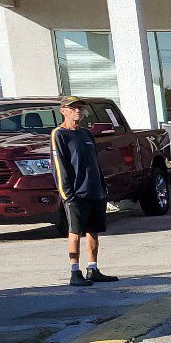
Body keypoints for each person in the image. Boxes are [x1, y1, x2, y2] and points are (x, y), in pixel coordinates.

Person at [51, 96, 119, 287]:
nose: (78, 111)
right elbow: (60, 166)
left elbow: (95, 163)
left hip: (95, 190)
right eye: (73, 108)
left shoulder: (86, 134)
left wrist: (102, 187)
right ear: (63, 111)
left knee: (93, 231)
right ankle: (75, 272)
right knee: (75, 232)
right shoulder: (59, 134)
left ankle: (93, 269)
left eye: (80, 108)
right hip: (76, 193)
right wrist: (67, 194)